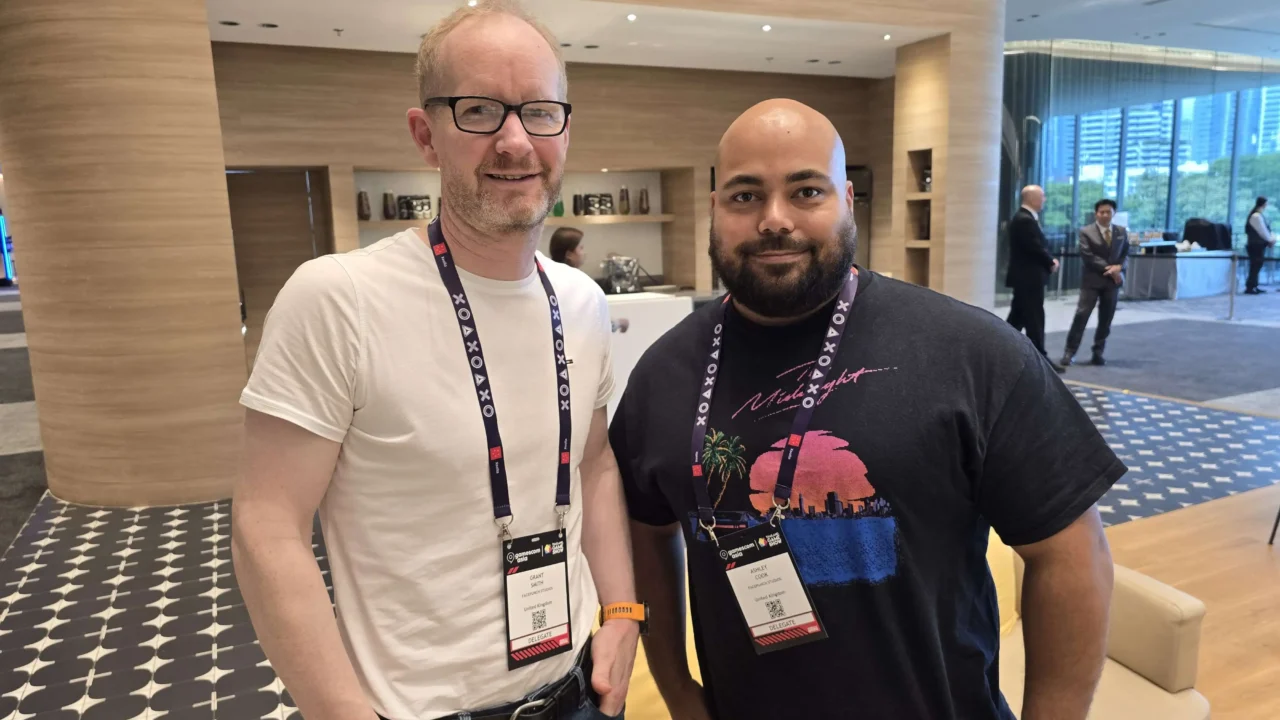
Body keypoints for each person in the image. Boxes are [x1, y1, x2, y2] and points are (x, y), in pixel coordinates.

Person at [611, 99, 1122, 720]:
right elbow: (645, 533)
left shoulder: (971, 353)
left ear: (847, 200)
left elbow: (1072, 553)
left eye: (805, 191)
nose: (775, 220)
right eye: (745, 196)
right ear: (714, 207)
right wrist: (678, 692)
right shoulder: (663, 375)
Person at [231, 2, 641, 719]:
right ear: (427, 135)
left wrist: (623, 611)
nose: (515, 141)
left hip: (581, 689)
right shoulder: (338, 299)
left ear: (565, 128)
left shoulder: (580, 301)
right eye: (480, 110)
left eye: (540, 111)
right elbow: (267, 526)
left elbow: (596, 461)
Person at [1062, 199, 1129, 367]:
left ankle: (1098, 352)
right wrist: (1111, 269)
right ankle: (1070, 352)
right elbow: (1087, 255)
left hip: (1112, 283)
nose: (1105, 215)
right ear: (1096, 213)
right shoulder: (1086, 231)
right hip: (1092, 281)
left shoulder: (1121, 231)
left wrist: (1119, 267)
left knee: (1106, 319)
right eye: (1102, 212)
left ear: (1114, 213)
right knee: (1081, 316)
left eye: (1108, 212)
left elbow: (1126, 253)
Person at [1005, 185, 1064, 373]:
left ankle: (1000, 349)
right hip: (1029, 278)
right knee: (1034, 319)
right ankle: (1040, 359)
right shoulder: (1024, 220)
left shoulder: (1025, 218)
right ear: (1032, 198)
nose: (1045, 199)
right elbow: (1034, 247)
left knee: (1018, 318)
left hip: (1026, 278)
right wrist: (1050, 261)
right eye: (1042, 196)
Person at [1245, 196, 1275, 295]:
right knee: (1255, 265)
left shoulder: (1257, 215)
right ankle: (1250, 286)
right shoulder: (1256, 216)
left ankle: (1254, 285)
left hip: (1257, 245)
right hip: (1255, 245)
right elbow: (1262, 231)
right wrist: (1270, 240)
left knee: (1257, 265)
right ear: (1263, 204)